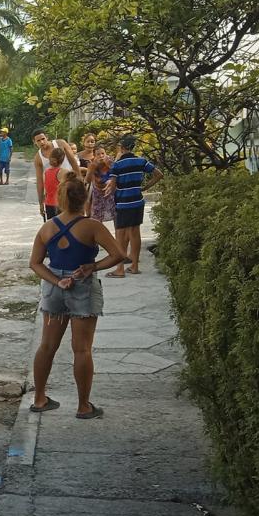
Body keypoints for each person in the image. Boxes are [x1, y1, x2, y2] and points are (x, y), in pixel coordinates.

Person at [29, 172, 127, 419]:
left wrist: (56, 280)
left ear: (61, 199)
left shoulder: (47, 228)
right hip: (82, 285)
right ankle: (84, 406)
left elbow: (35, 264)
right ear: (85, 199)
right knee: (81, 350)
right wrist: (92, 267)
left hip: (54, 289)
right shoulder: (92, 226)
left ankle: (39, 399)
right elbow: (118, 255)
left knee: (47, 346)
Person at [104, 135, 162, 277]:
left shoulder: (116, 166)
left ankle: (120, 269)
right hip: (137, 201)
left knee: (121, 235)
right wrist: (145, 187)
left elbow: (111, 185)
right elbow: (159, 174)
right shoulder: (141, 161)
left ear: (122, 148)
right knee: (135, 233)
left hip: (123, 203)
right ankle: (134, 266)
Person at [32, 131, 78, 220]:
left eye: (43, 139)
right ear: (34, 142)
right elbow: (40, 181)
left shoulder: (60, 144)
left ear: (47, 137)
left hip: (69, 189)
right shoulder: (38, 158)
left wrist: (80, 182)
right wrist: (41, 203)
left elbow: (74, 163)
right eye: (38, 141)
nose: (41, 142)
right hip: (53, 196)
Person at [86, 145, 116, 224]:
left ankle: (119, 235)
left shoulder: (111, 161)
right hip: (98, 193)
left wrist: (110, 166)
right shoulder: (92, 164)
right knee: (96, 220)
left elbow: (117, 175)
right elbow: (87, 180)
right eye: (98, 154)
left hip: (111, 193)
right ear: (94, 156)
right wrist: (91, 169)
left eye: (103, 153)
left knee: (117, 217)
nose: (101, 156)